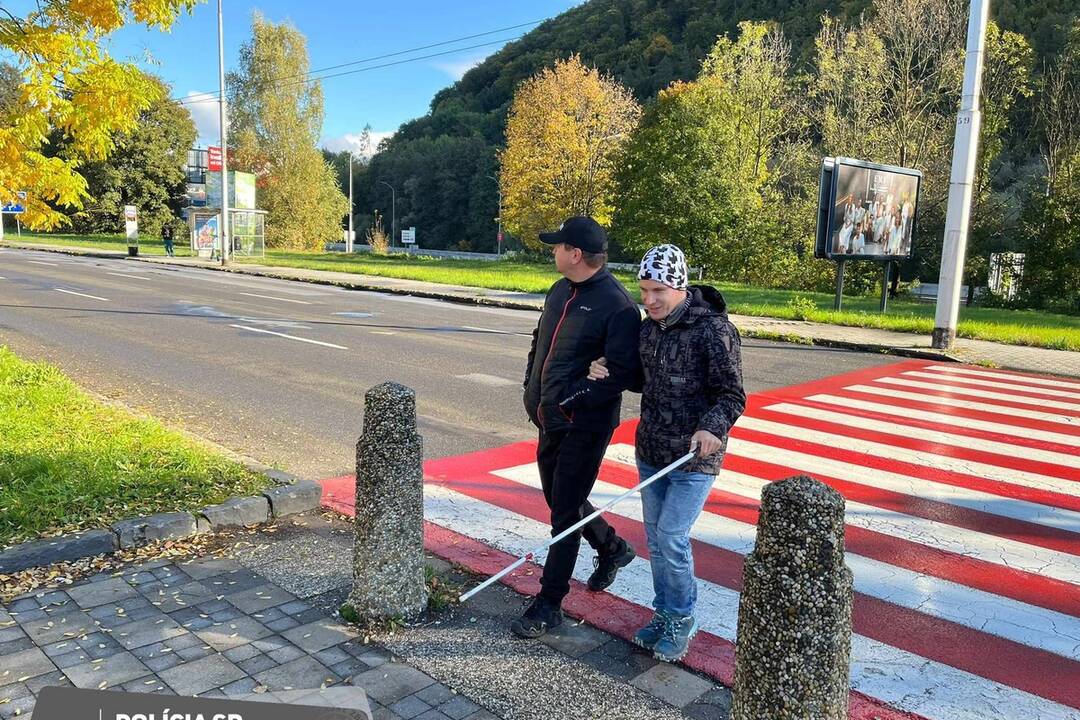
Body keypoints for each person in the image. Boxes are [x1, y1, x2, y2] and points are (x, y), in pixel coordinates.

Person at [588, 244, 745, 662]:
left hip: (694, 456)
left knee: (673, 536)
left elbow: (732, 395)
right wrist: (608, 368)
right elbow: (642, 380)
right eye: (644, 290)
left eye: (658, 290)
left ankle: (682, 615)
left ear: (680, 286)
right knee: (657, 540)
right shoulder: (648, 330)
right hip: (652, 449)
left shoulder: (714, 331)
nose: (650, 300)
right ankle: (664, 611)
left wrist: (712, 427)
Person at [514, 216, 643, 639]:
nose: (552, 251)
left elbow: (621, 374)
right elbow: (540, 342)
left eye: (557, 246)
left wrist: (571, 399)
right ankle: (612, 548)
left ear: (576, 254)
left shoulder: (618, 307)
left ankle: (549, 603)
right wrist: (531, 390)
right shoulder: (558, 291)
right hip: (548, 417)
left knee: (564, 514)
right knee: (560, 501)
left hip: (583, 426)